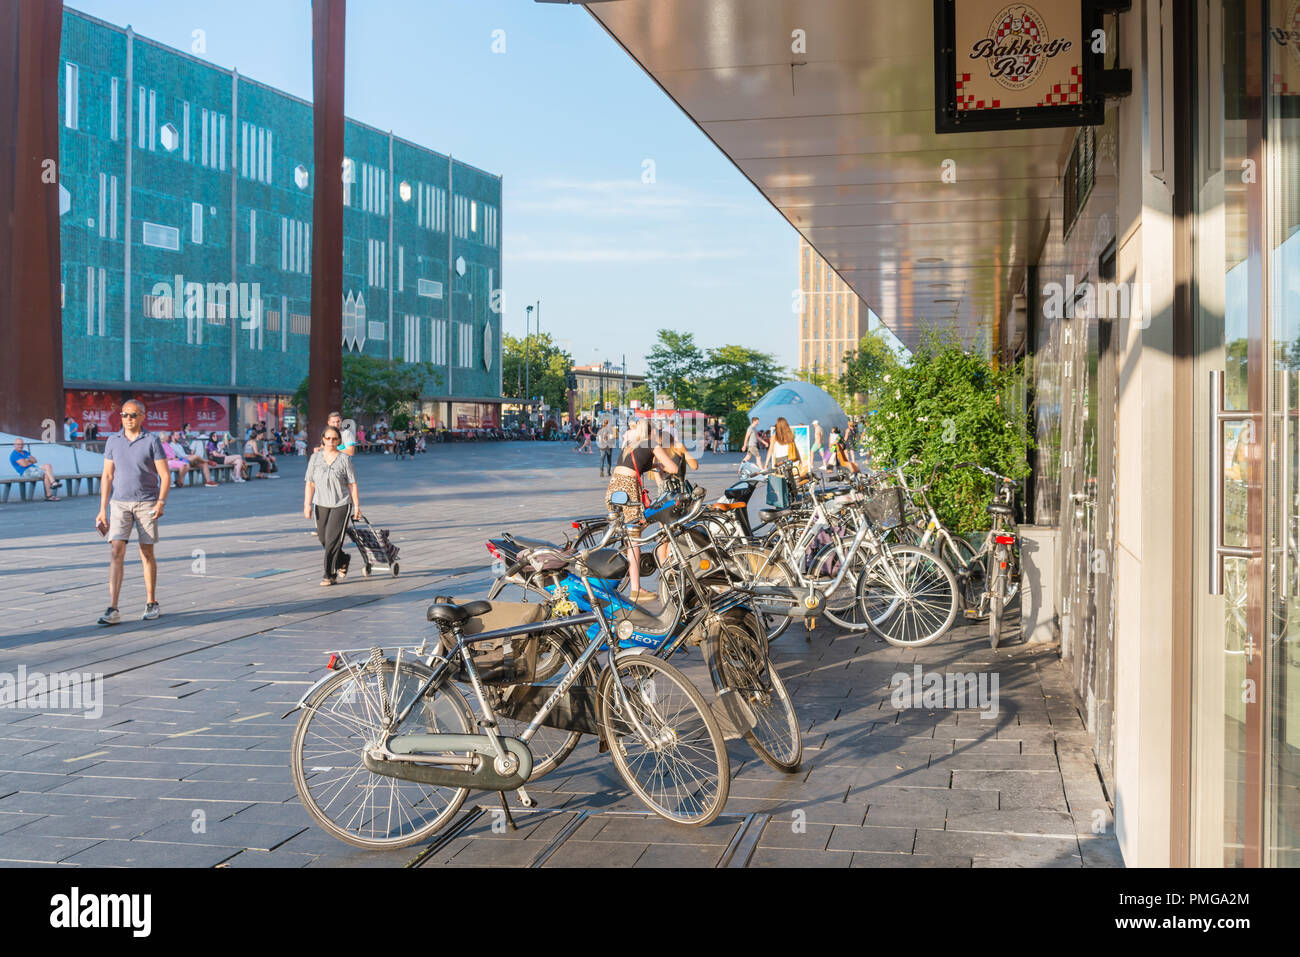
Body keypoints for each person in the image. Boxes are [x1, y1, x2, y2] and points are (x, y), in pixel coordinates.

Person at [95, 398, 170, 624]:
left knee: (146, 552)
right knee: (116, 551)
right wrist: (102, 510)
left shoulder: (151, 441)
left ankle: (151, 602)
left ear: (142, 417)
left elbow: (165, 476)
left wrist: (160, 502)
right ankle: (113, 608)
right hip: (119, 504)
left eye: (133, 415)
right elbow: (107, 476)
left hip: (146, 503)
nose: (128, 419)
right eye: (125, 415)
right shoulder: (113, 441)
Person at [606, 417, 679, 603]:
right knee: (635, 538)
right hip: (629, 489)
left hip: (614, 488)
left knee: (636, 529)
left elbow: (639, 464)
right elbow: (673, 467)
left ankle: (628, 554)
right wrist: (667, 467)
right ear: (651, 431)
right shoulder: (652, 444)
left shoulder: (630, 445)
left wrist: (656, 466)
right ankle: (636, 589)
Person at [304, 425, 361, 586]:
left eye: (335, 439)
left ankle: (329, 575)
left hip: (340, 504)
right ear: (322, 439)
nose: (331, 441)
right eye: (328, 438)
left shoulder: (344, 459)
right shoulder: (315, 458)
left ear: (339, 441)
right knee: (323, 538)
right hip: (320, 504)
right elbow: (310, 483)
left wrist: (356, 506)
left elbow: (352, 484)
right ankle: (343, 559)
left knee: (332, 540)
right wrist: (306, 505)